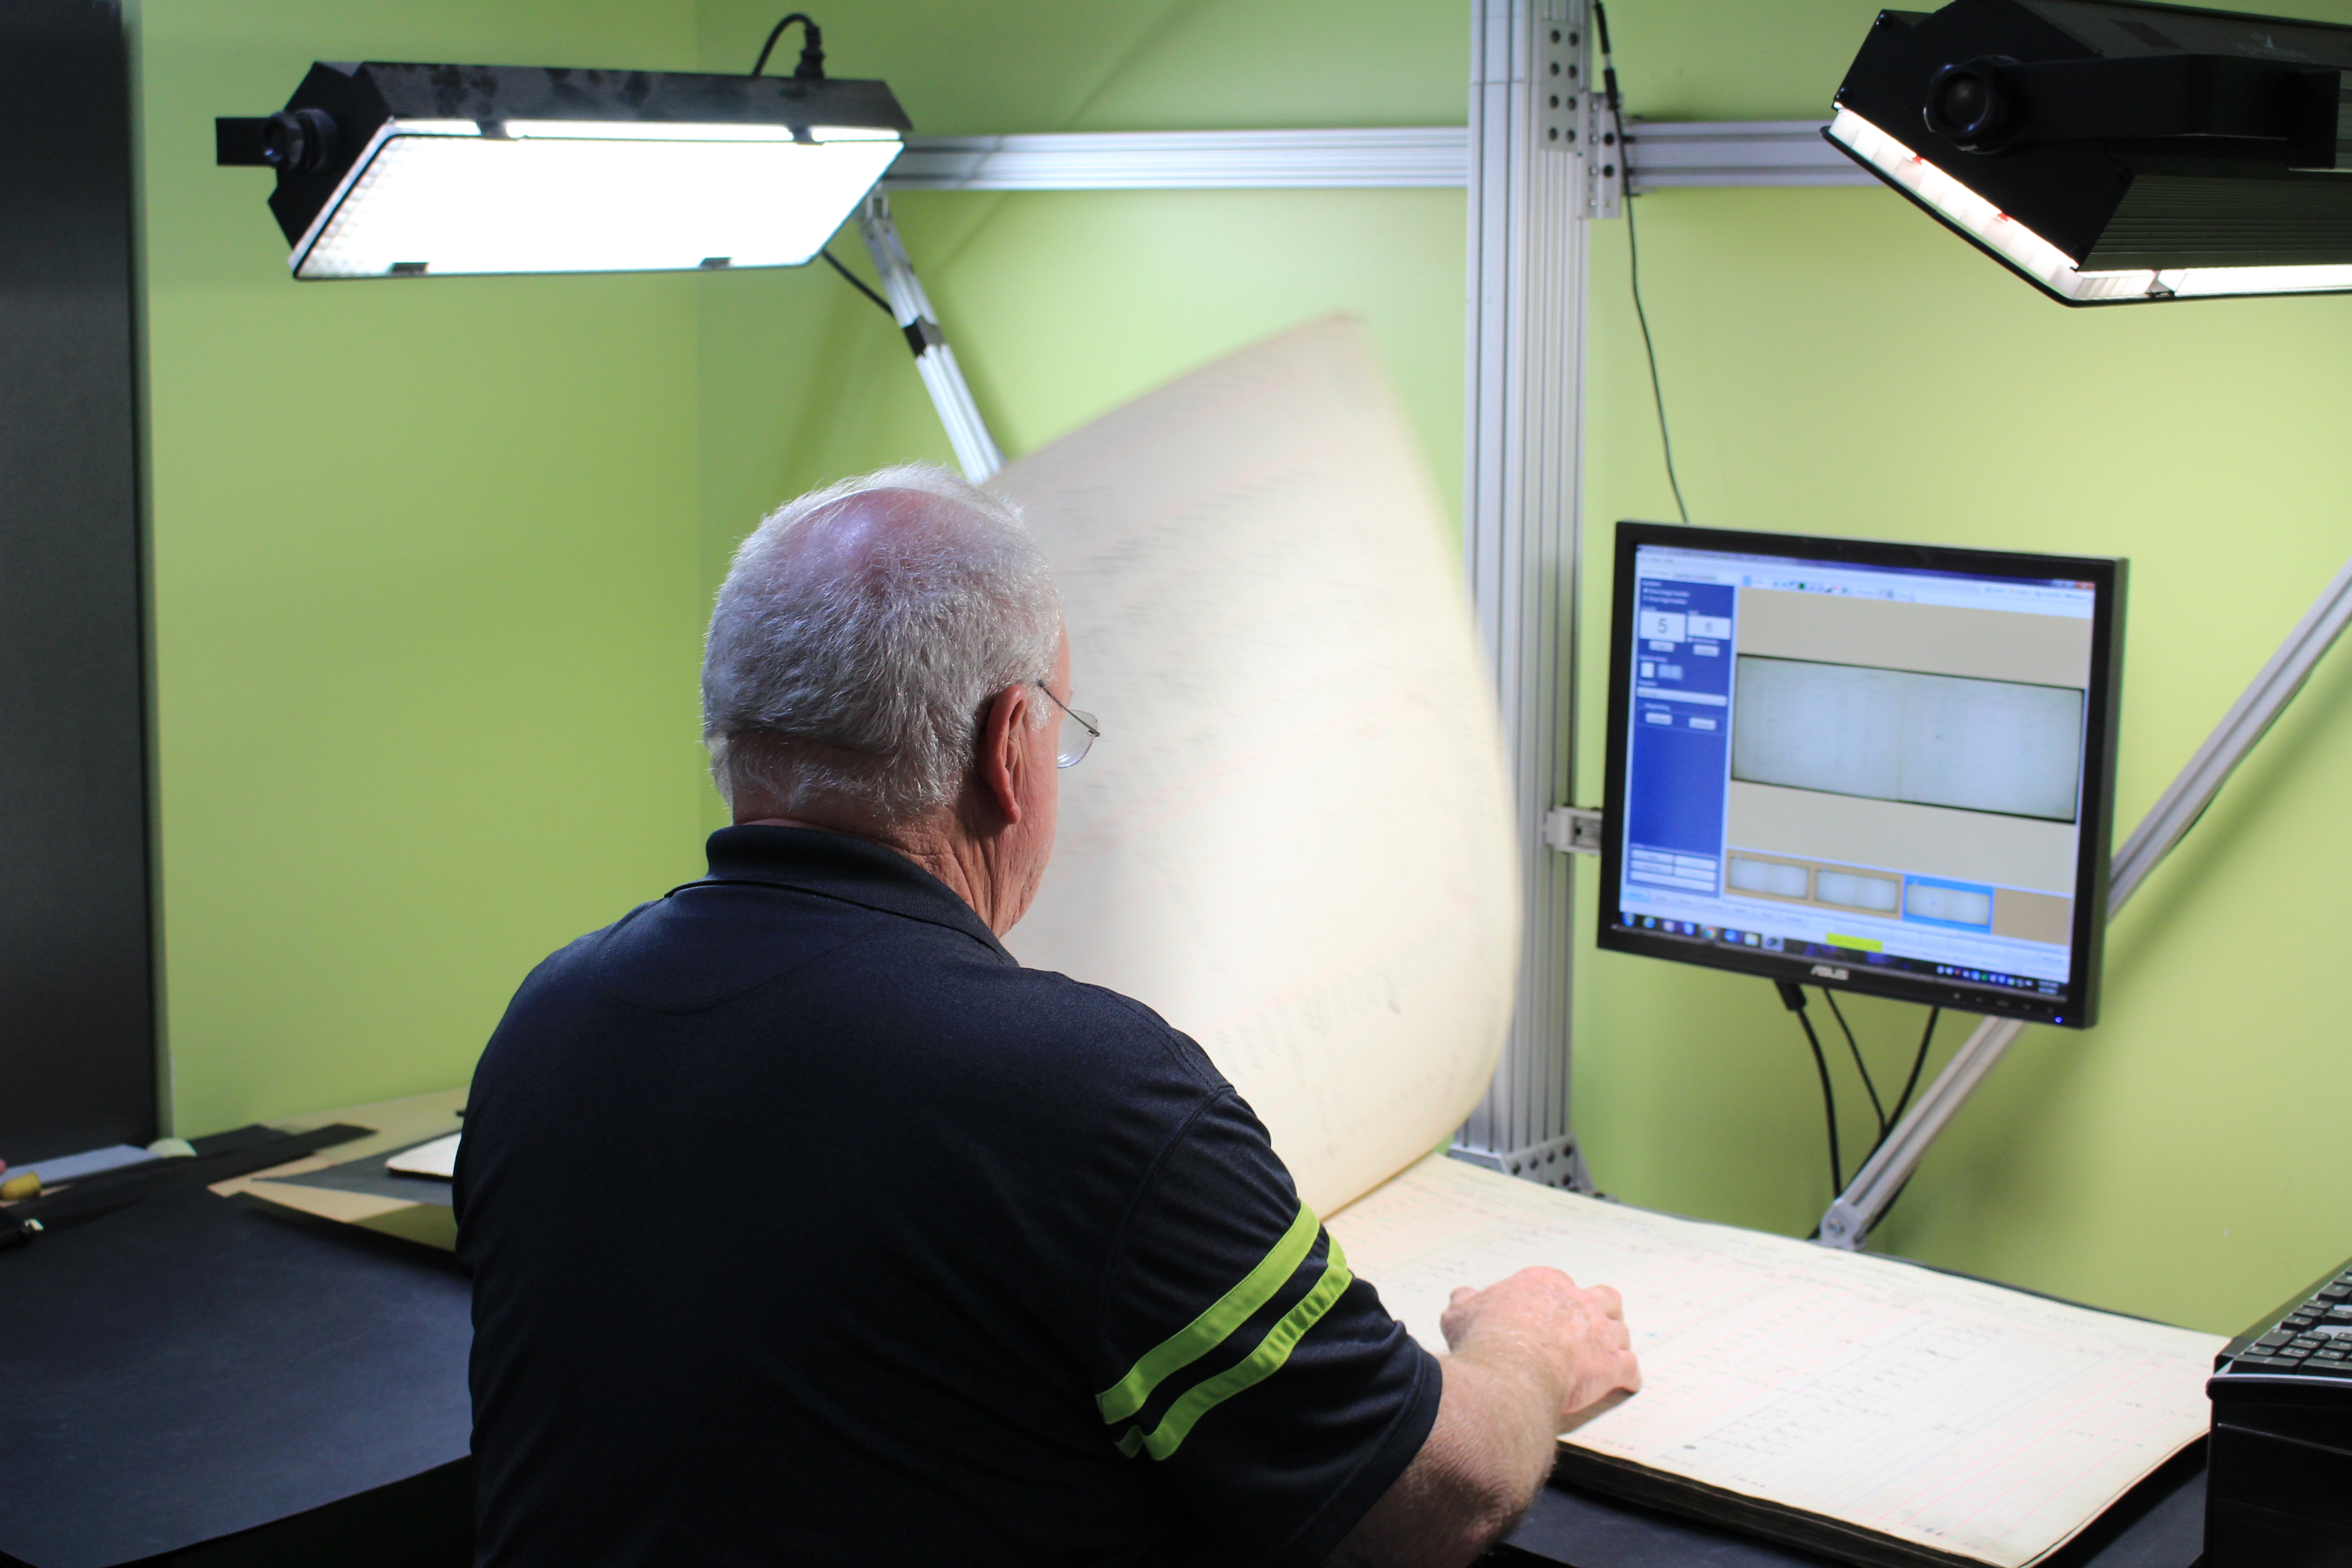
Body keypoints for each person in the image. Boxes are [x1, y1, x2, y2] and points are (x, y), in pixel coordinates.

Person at [456, 464, 1639, 1568]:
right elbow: (1436, 1496)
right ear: (1008, 748)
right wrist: (1528, 1347)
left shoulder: (550, 1021)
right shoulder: (1087, 1093)